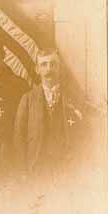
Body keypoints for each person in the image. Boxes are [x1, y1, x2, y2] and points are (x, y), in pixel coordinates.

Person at [14, 49, 86, 179]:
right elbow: (19, 137)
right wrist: (22, 171)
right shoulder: (28, 99)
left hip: (67, 168)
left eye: (53, 64)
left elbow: (84, 135)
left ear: (60, 68)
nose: (49, 69)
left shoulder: (74, 98)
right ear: (37, 69)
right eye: (44, 64)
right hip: (37, 167)